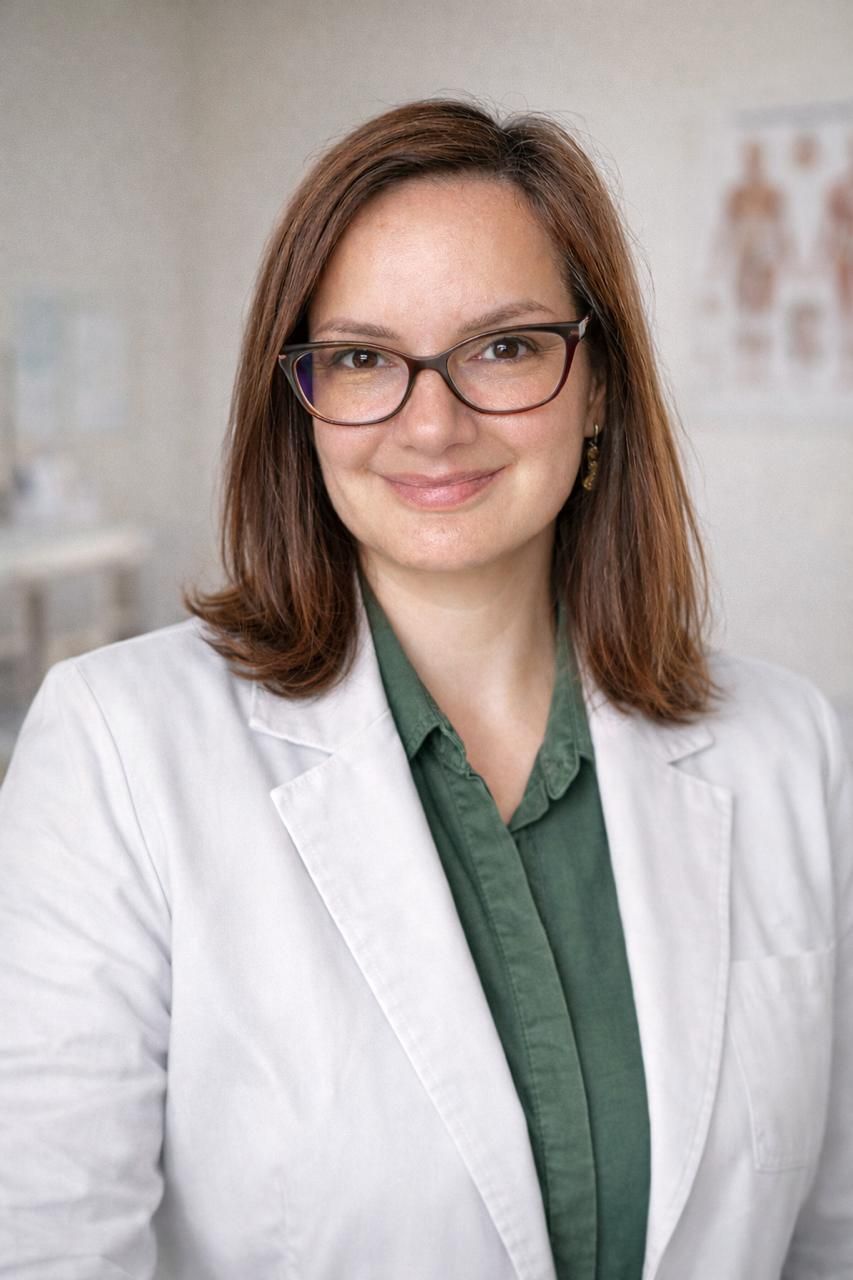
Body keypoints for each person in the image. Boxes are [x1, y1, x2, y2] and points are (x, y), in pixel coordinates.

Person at [0, 98, 850, 1280]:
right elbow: (47, 1243)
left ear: (598, 385)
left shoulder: (790, 744)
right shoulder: (116, 748)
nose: (433, 422)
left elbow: (826, 1234)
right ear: (300, 401)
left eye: (504, 347)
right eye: (362, 359)